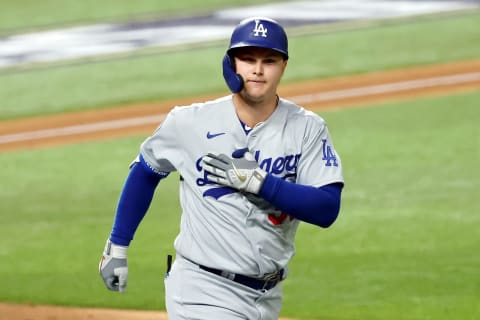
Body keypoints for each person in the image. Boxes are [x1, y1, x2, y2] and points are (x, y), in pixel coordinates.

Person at [99, 17, 344, 320]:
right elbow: (146, 171)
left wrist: (261, 183)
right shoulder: (189, 123)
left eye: (269, 60)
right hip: (201, 289)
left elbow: (327, 209)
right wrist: (117, 246)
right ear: (231, 65)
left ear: (283, 66)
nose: (257, 69)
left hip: (266, 296)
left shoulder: (307, 128)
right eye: (247, 59)